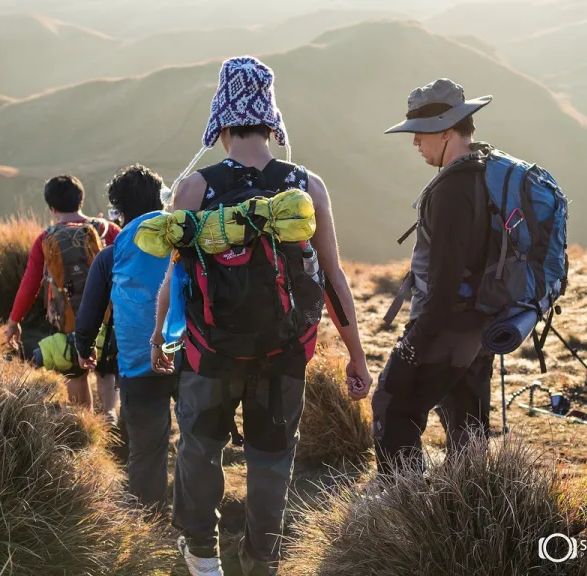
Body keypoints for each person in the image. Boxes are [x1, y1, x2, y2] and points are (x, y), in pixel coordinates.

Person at [150, 56, 372, 576]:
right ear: (271, 115)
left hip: (211, 352)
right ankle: (262, 561)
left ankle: (203, 555)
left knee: (201, 448)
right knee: (272, 460)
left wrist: (161, 337)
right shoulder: (305, 186)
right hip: (284, 352)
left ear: (221, 117)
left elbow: (177, 278)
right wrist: (357, 356)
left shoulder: (195, 188)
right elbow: (333, 279)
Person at [373, 78, 497, 474]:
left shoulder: (451, 191)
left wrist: (416, 341)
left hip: (447, 326)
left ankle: (404, 511)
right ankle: (474, 514)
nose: (414, 143)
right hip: (482, 320)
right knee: (469, 427)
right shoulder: (487, 172)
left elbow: (444, 277)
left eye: (420, 134)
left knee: (392, 406)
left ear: (446, 131)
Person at [74, 164, 176, 512]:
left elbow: (88, 315)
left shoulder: (112, 255)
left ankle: (148, 524)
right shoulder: (186, 239)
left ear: (118, 210)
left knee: (146, 450)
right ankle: (197, 525)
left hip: (137, 363)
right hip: (191, 357)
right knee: (200, 443)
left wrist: (83, 348)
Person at [4, 175, 121, 422]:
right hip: (107, 314)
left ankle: (85, 423)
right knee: (105, 367)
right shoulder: (106, 230)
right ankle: (109, 413)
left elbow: (30, 284)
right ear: (81, 199)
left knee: (74, 372)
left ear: (52, 207)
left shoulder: (45, 239)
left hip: (66, 318)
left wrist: (14, 321)